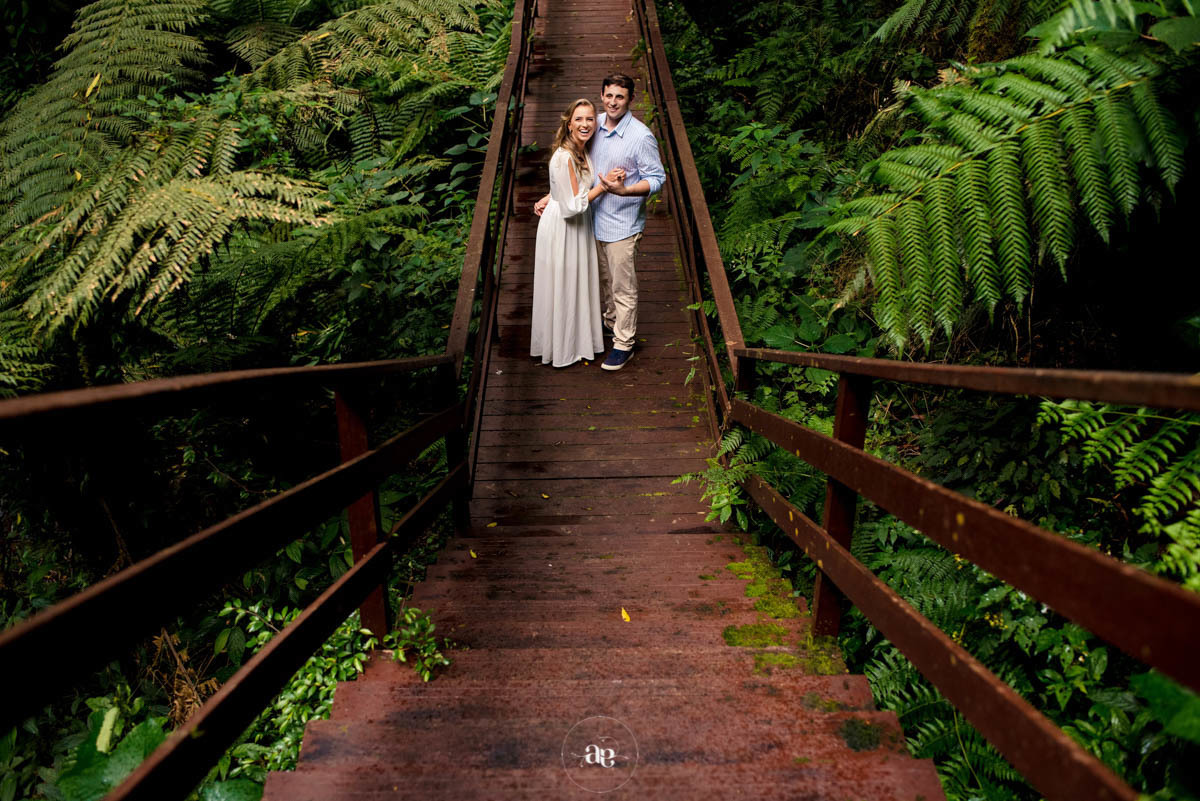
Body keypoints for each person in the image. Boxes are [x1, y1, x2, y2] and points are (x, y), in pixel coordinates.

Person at [536, 74, 666, 371]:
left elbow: (658, 179)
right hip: (590, 220)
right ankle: (611, 325)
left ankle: (624, 343)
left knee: (623, 286)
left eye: (620, 97)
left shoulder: (640, 136)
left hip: (622, 222)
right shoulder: (592, 124)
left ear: (630, 99)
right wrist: (554, 194)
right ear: (602, 95)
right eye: (608, 96)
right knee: (603, 281)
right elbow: (577, 168)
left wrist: (625, 190)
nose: (613, 102)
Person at [530, 98, 611, 368]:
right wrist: (605, 187)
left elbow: (567, 188)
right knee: (564, 284)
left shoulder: (581, 149)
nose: (585, 124)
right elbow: (572, 206)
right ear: (568, 123)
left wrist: (550, 194)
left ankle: (579, 342)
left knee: (578, 282)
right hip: (565, 227)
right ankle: (562, 346)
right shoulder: (564, 156)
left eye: (590, 119)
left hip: (576, 224)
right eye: (579, 119)